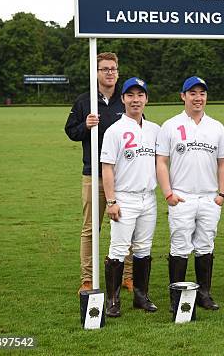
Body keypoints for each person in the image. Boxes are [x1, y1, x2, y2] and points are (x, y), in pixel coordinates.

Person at [156, 76, 224, 311]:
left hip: (209, 197)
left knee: (205, 245)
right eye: (193, 93)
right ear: (183, 96)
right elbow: (161, 162)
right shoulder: (170, 125)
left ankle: (203, 294)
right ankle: (176, 296)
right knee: (179, 246)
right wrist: (168, 194)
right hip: (182, 196)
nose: (198, 98)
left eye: (202, 93)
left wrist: (221, 194)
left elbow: (223, 163)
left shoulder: (216, 126)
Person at [64, 52, 134, 294]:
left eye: (113, 68)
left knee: (127, 226)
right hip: (93, 174)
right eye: (104, 69)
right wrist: (85, 125)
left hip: (123, 176)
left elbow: (139, 128)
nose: (109, 73)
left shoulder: (125, 100)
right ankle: (87, 278)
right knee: (91, 229)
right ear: (96, 72)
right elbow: (70, 131)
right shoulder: (85, 101)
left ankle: (128, 275)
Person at [100, 77, 160, 317]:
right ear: (123, 99)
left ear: (146, 98)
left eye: (140, 95)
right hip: (124, 198)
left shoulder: (155, 129)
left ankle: (140, 296)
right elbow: (107, 168)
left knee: (144, 248)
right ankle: (113, 300)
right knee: (118, 249)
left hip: (149, 197)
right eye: (131, 95)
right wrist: (111, 201)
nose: (136, 100)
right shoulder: (115, 130)